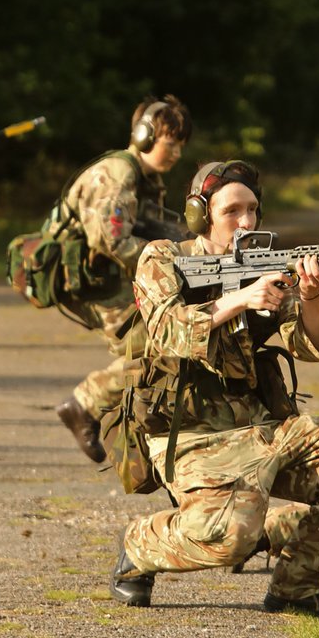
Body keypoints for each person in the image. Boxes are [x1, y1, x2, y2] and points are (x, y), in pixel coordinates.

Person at [108, 160, 319, 626]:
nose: (246, 222)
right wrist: (239, 299)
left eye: (253, 210)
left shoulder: (264, 266)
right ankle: (140, 542)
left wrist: (312, 295)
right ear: (199, 214)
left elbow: (310, 346)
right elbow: (166, 330)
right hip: (191, 433)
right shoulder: (163, 258)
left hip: (262, 427)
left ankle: (300, 588)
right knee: (233, 537)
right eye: (232, 210)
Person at [52, 96, 192, 464]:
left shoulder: (147, 179)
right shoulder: (117, 175)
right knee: (154, 347)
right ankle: (85, 405)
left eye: (181, 145)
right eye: (170, 142)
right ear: (145, 136)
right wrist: (164, 263)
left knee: (158, 346)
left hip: (111, 274)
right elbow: (110, 240)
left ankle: (122, 425)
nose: (176, 152)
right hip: (90, 278)